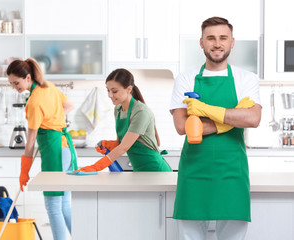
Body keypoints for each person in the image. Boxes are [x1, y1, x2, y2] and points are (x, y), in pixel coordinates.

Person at [169, 17, 262, 240]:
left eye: (223, 38)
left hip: (232, 172)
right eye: (211, 38)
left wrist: (204, 111)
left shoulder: (246, 78)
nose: (217, 44)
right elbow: (183, 127)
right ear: (201, 42)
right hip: (194, 172)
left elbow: (253, 118)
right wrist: (231, 116)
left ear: (232, 42)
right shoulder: (186, 79)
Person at [7, 58, 77, 240]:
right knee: (64, 205)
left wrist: (24, 172)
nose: (15, 87)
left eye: (17, 83)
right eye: (11, 84)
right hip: (67, 149)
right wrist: (53, 120)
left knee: (54, 206)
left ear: (28, 77)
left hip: (55, 153)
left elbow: (30, 142)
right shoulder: (49, 87)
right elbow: (69, 106)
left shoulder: (34, 102)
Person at [76, 68, 171, 173]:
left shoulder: (140, 112)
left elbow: (124, 147)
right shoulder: (118, 109)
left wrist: (95, 167)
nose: (110, 95)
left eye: (114, 91)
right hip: (139, 171)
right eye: (108, 90)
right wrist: (109, 144)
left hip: (155, 170)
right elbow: (122, 143)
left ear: (129, 89)